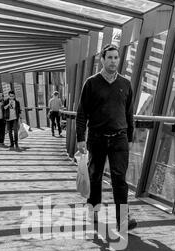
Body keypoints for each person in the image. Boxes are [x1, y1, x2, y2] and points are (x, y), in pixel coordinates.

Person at [76, 43, 137, 233]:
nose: (113, 61)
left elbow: (129, 114)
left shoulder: (125, 84)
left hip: (119, 138)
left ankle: (123, 219)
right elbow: (82, 113)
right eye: (109, 57)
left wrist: (129, 138)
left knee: (120, 179)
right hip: (97, 137)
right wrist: (80, 138)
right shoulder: (91, 83)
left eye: (116, 57)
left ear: (119, 60)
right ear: (102, 60)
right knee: (95, 176)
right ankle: (93, 209)